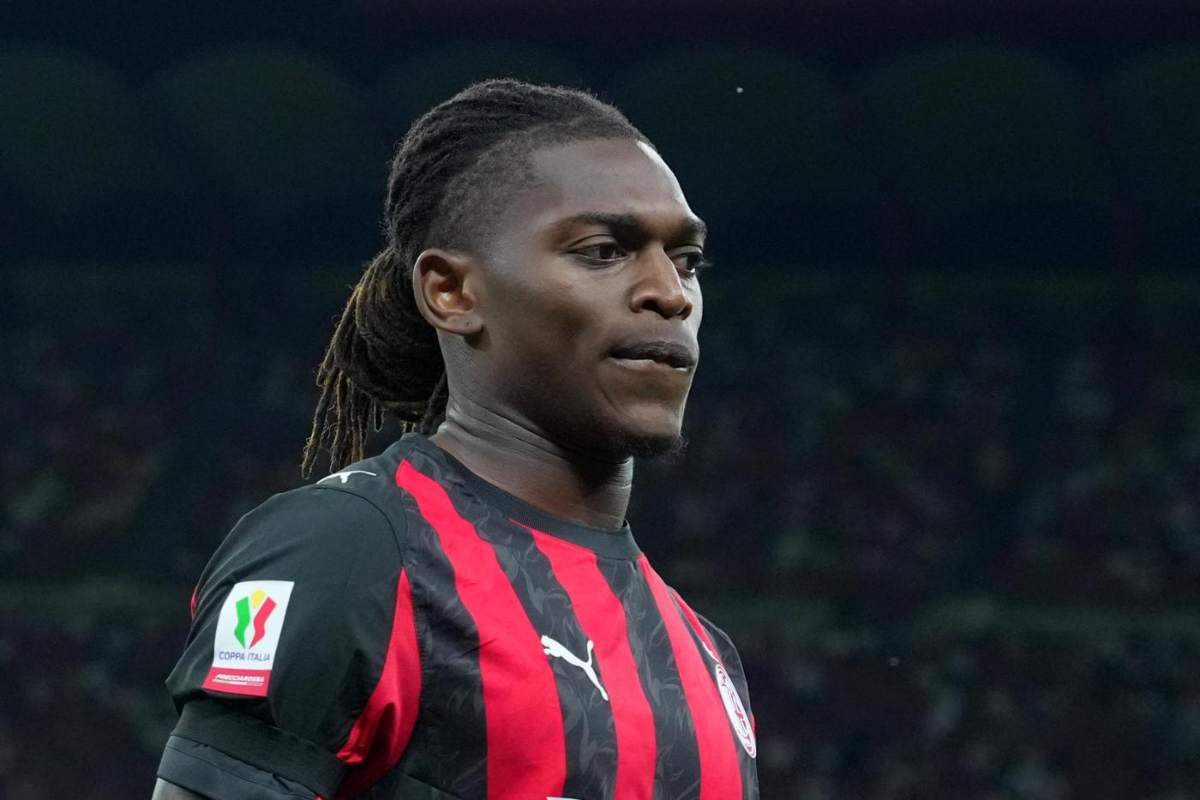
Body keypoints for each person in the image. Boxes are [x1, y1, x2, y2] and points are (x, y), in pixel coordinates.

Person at [152, 78, 759, 800]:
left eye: (686, 260)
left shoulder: (704, 654)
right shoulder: (350, 554)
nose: (671, 293)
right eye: (603, 251)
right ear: (452, 292)